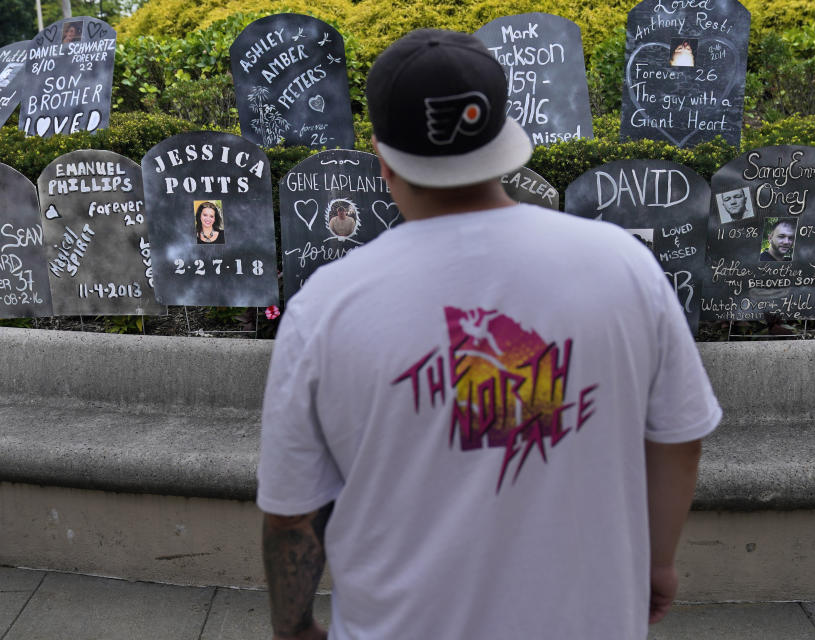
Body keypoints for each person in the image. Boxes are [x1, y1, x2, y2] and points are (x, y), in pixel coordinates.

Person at [258, 28, 721, 640]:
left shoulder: (325, 306)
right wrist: (658, 562)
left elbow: (291, 516)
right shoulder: (623, 264)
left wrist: (293, 628)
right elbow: (679, 438)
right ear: (506, 139)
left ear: (384, 160)